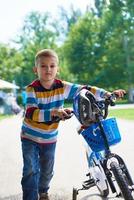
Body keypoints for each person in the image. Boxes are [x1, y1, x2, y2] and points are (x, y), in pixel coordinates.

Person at [21, 49, 126, 200]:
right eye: (43, 66)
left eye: (52, 66)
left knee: (47, 170)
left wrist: (106, 94)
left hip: (49, 138)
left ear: (58, 69)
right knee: (31, 170)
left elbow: (86, 89)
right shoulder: (32, 89)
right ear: (35, 69)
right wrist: (55, 112)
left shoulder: (62, 86)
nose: (48, 69)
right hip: (30, 136)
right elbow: (31, 113)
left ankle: (43, 191)